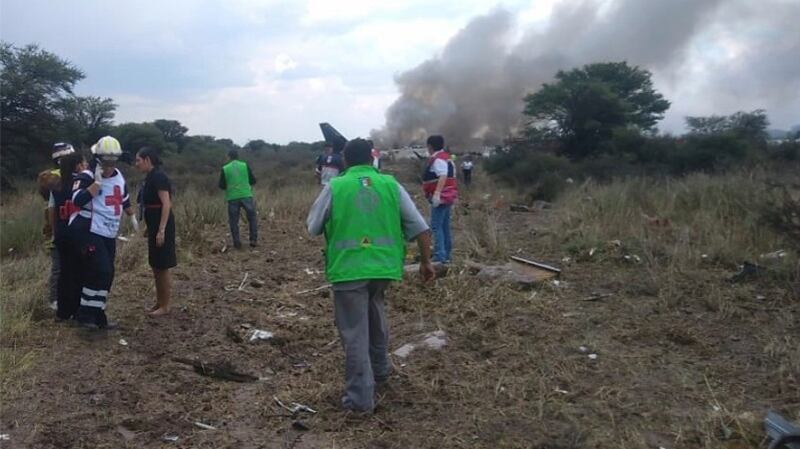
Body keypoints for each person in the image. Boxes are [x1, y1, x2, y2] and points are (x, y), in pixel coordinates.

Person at [307, 138, 435, 413]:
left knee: (354, 334)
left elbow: (313, 227)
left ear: (345, 159)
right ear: (371, 158)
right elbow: (421, 228)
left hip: (348, 270)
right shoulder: (391, 185)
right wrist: (426, 263)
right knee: (376, 314)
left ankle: (359, 401)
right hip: (384, 269)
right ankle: (381, 372)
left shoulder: (335, 186)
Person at [69, 136, 138, 329]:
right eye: (106, 161)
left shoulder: (118, 176)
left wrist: (132, 216)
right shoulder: (86, 176)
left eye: (113, 161)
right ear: (98, 158)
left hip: (109, 231)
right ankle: (85, 316)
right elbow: (77, 201)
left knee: (108, 274)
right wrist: (96, 185)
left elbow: (123, 198)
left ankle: (98, 314)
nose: (109, 166)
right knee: (99, 270)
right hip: (88, 230)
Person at [135, 147, 176, 316]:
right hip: (153, 224)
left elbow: (166, 204)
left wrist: (161, 230)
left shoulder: (159, 176)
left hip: (162, 225)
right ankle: (159, 302)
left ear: (147, 160)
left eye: (138, 160)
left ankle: (165, 305)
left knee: (162, 265)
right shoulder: (150, 177)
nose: (136, 164)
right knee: (155, 265)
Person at [39, 142, 75, 310]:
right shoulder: (55, 179)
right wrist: (54, 232)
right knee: (59, 266)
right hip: (60, 228)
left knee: (67, 266)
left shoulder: (72, 176)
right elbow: (52, 207)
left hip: (68, 227)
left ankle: (63, 297)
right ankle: (54, 299)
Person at [52, 151, 86, 321]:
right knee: (79, 272)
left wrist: (53, 231)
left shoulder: (57, 185)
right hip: (76, 232)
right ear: (77, 165)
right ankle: (77, 309)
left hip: (60, 232)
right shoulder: (79, 184)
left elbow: (52, 210)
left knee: (64, 273)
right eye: (84, 162)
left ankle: (63, 311)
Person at [422, 135, 458, 263]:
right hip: (448, 195)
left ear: (430, 146)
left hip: (441, 197)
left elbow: (443, 175)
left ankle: (440, 256)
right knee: (444, 226)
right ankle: (447, 255)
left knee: (436, 226)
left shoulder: (438, 159)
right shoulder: (447, 158)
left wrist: (437, 194)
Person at [218, 149, 257, 249]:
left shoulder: (225, 168)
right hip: (246, 195)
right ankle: (253, 240)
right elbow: (253, 180)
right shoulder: (244, 165)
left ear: (228, 157)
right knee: (252, 218)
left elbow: (221, 185)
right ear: (238, 156)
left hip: (232, 197)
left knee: (233, 221)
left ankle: (237, 243)